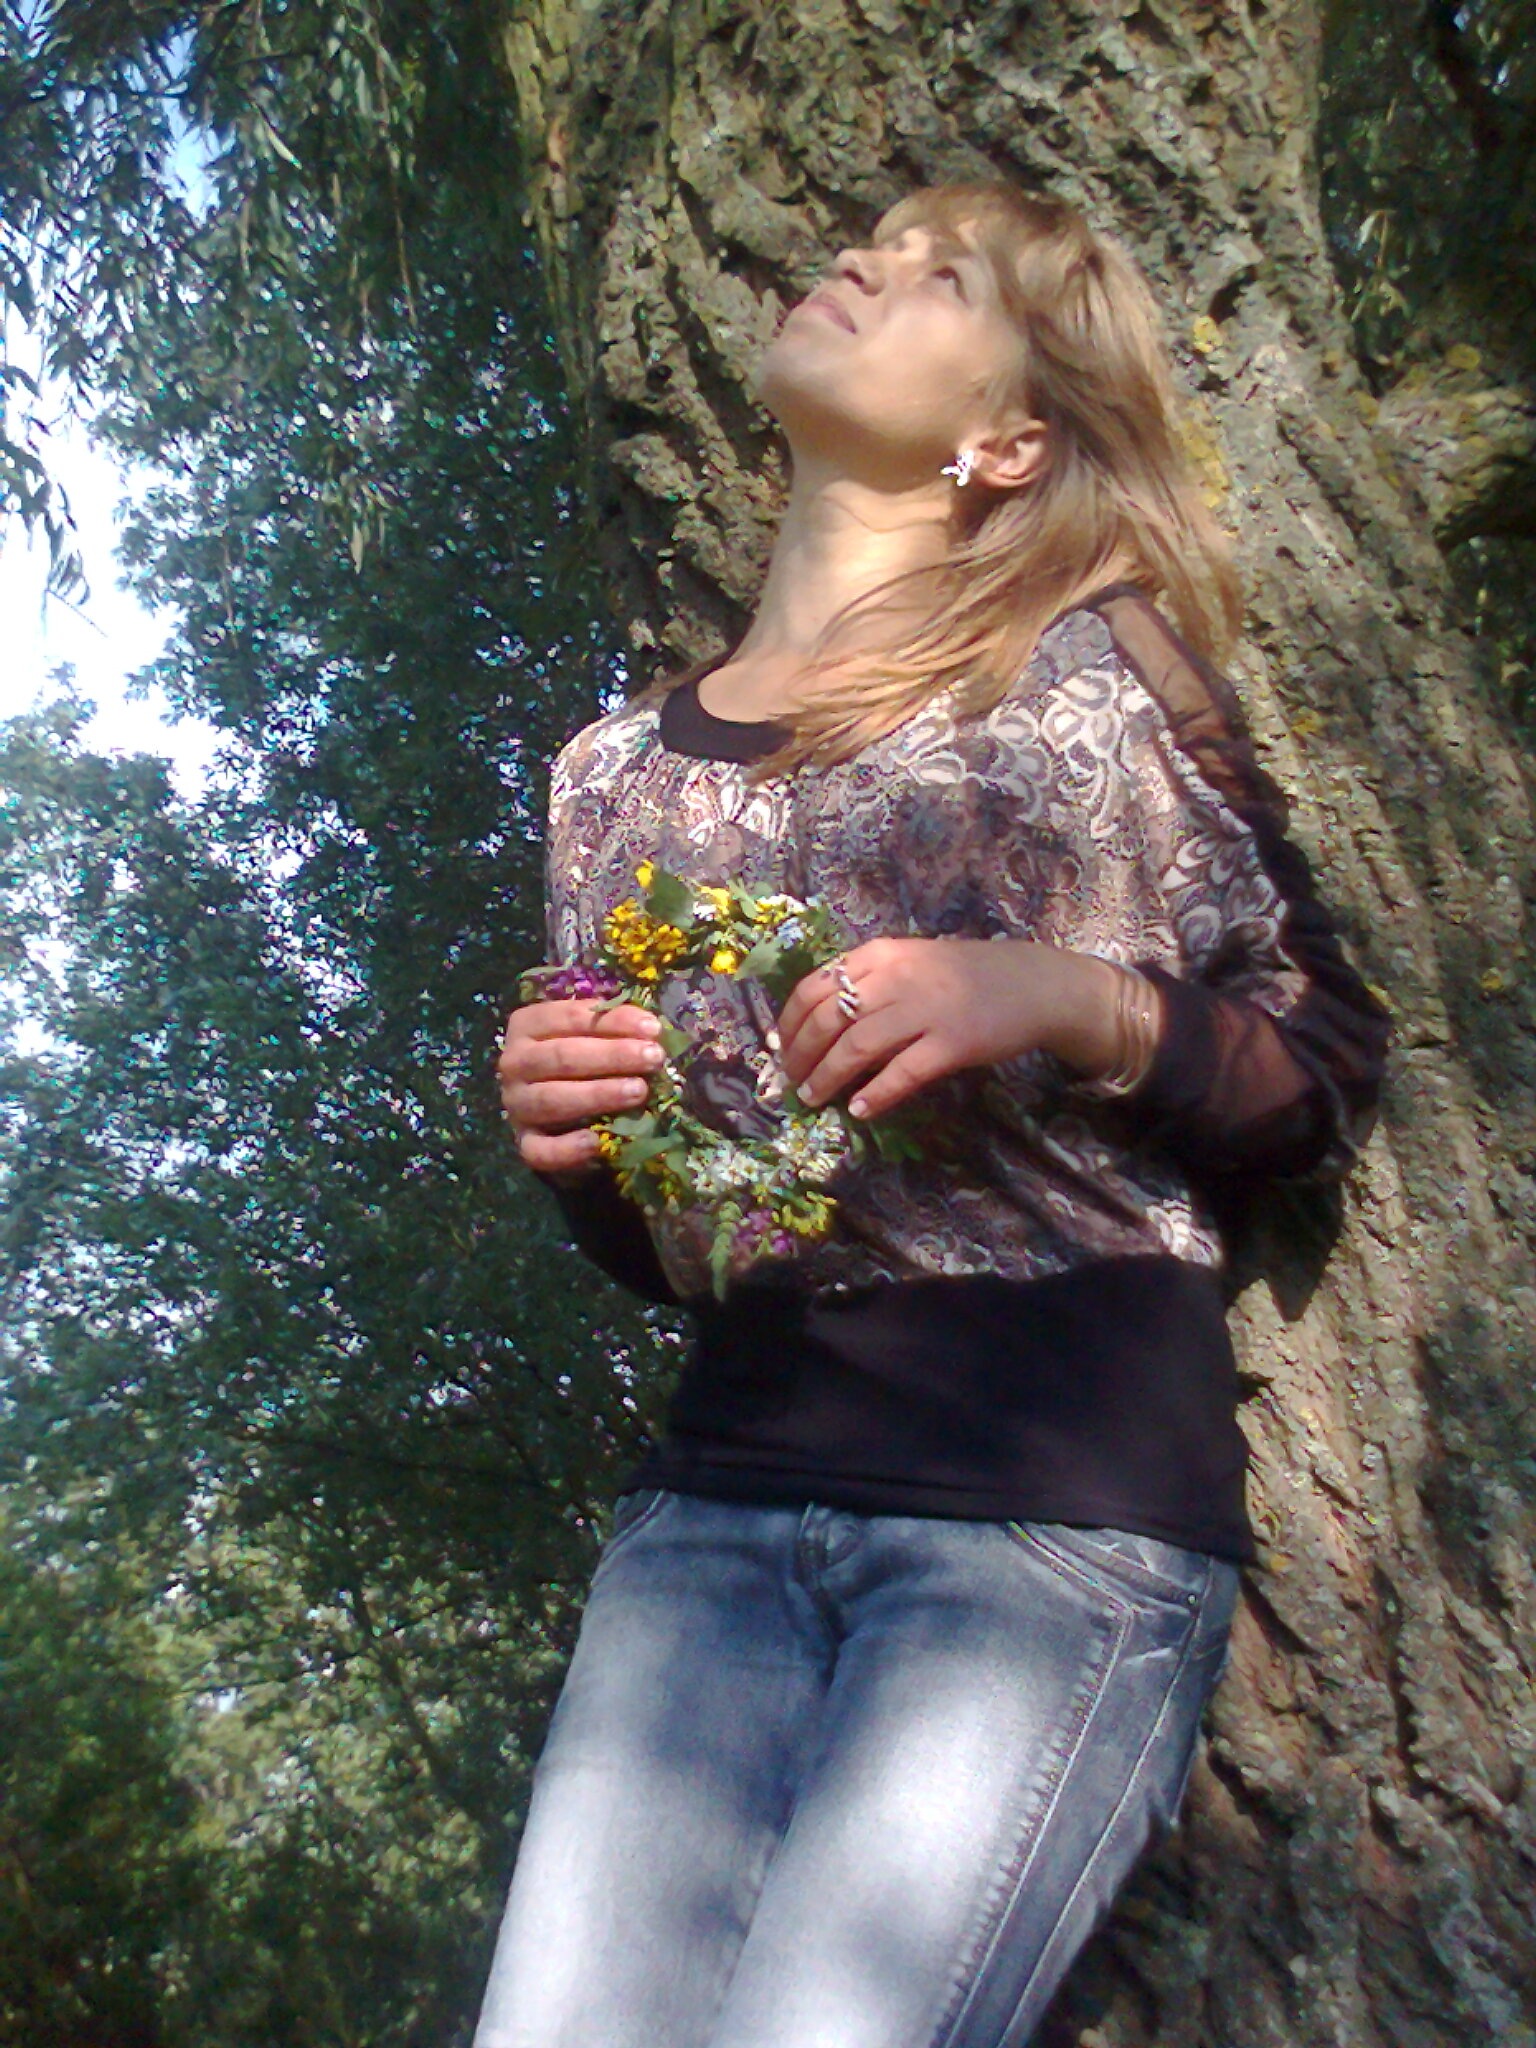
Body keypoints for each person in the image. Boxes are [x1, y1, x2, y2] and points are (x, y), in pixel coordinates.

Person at [482, 181, 1389, 2048]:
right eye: (872, 246)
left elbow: (1325, 1063)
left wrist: (1063, 997)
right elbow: (672, 1244)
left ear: (1012, 441)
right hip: (710, 1519)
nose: (861, 261)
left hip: (1046, 1532)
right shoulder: (605, 773)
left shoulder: (1098, 680)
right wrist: (574, 1135)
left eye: (939, 274)